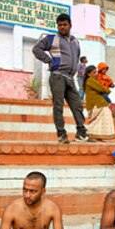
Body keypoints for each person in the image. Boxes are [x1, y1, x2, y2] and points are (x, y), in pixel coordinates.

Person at [32, 13, 88, 144]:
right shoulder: (52, 39)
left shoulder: (76, 42)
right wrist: (48, 60)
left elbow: (76, 57)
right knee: (58, 106)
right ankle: (62, 135)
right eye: (60, 25)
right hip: (57, 76)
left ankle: (81, 132)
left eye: (65, 24)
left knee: (77, 105)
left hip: (70, 78)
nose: (62, 27)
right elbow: (36, 49)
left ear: (70, 25)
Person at [83, 64, 115, 141]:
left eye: (96, 72)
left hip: (99, 103)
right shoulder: (90, 80)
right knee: (100, 118)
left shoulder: (94, 80)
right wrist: (107, 90)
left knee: (100, 119)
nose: (96, 74)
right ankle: (89, 133)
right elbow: (101, 89)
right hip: (96, 104)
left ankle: (97, 136)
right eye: (94, 73)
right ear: (88, 74)